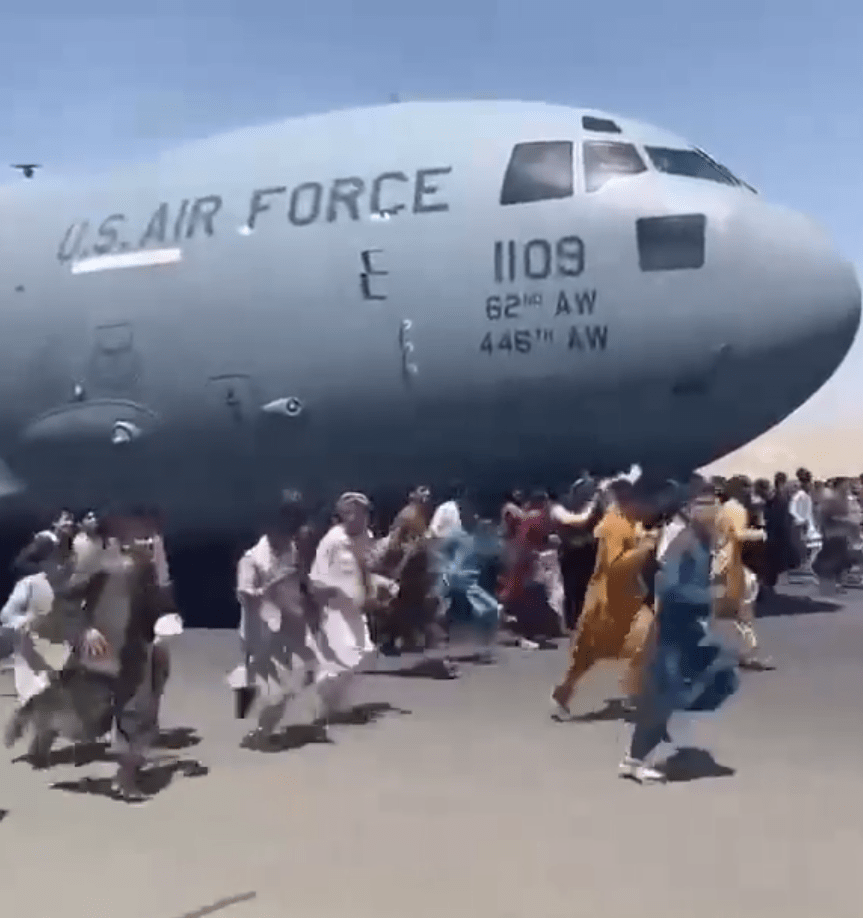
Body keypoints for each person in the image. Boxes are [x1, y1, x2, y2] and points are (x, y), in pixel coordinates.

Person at [620, 489, 739, 783]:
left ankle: (658, 722)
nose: (713, 512)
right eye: (704, 506)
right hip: (672, 630)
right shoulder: (684, 542)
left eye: (715, 506)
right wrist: (708, 596)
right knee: (663, 694)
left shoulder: (702, 541)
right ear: (691, 510)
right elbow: (668, 586)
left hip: (690, 628)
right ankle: (634, 758)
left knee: (723, 673)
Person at [549, 476, 659, 719]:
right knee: (586, 655)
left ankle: (634, 691)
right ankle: (562, 694)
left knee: (647, 638)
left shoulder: (629, 520)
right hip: (606, 601)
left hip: (630, 599)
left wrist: (644, 538)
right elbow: (615, 565)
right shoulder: (614, 525)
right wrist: (643, 549)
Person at [230, 493, 324, 748]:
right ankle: (261, 733)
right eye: (283, 528)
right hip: (260, 635)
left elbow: (302, 582)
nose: (287, 535)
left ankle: (266, 721)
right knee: (276, 691)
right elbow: (245, 595)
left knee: (309, 673)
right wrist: (268, 590)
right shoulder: (251, 559)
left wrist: (312, 604)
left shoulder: (292, 550)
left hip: (290, 630)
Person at [309, 492, 382, 728]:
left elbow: (365, 567)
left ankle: (338, 706)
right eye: (353, 512)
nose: (360, 517)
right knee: (342, 656)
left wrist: (372, 591)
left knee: (365, 653)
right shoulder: (332, 540)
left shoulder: (366, 537)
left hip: (356, 609)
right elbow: (316, 577)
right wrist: (324, 601)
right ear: (344, 515)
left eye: (363, 512)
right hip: (335, 610)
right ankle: (323, 704)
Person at [713, 477, 770, 669]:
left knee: (737, 608)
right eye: (746, 487)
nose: (749, 491)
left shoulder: (724, 508)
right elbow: (738, 534)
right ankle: (748, 652)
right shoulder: (736, 509)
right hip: (732, 563)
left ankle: (744, 651)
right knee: (744, 607)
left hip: (723, 561)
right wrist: (760, 533)